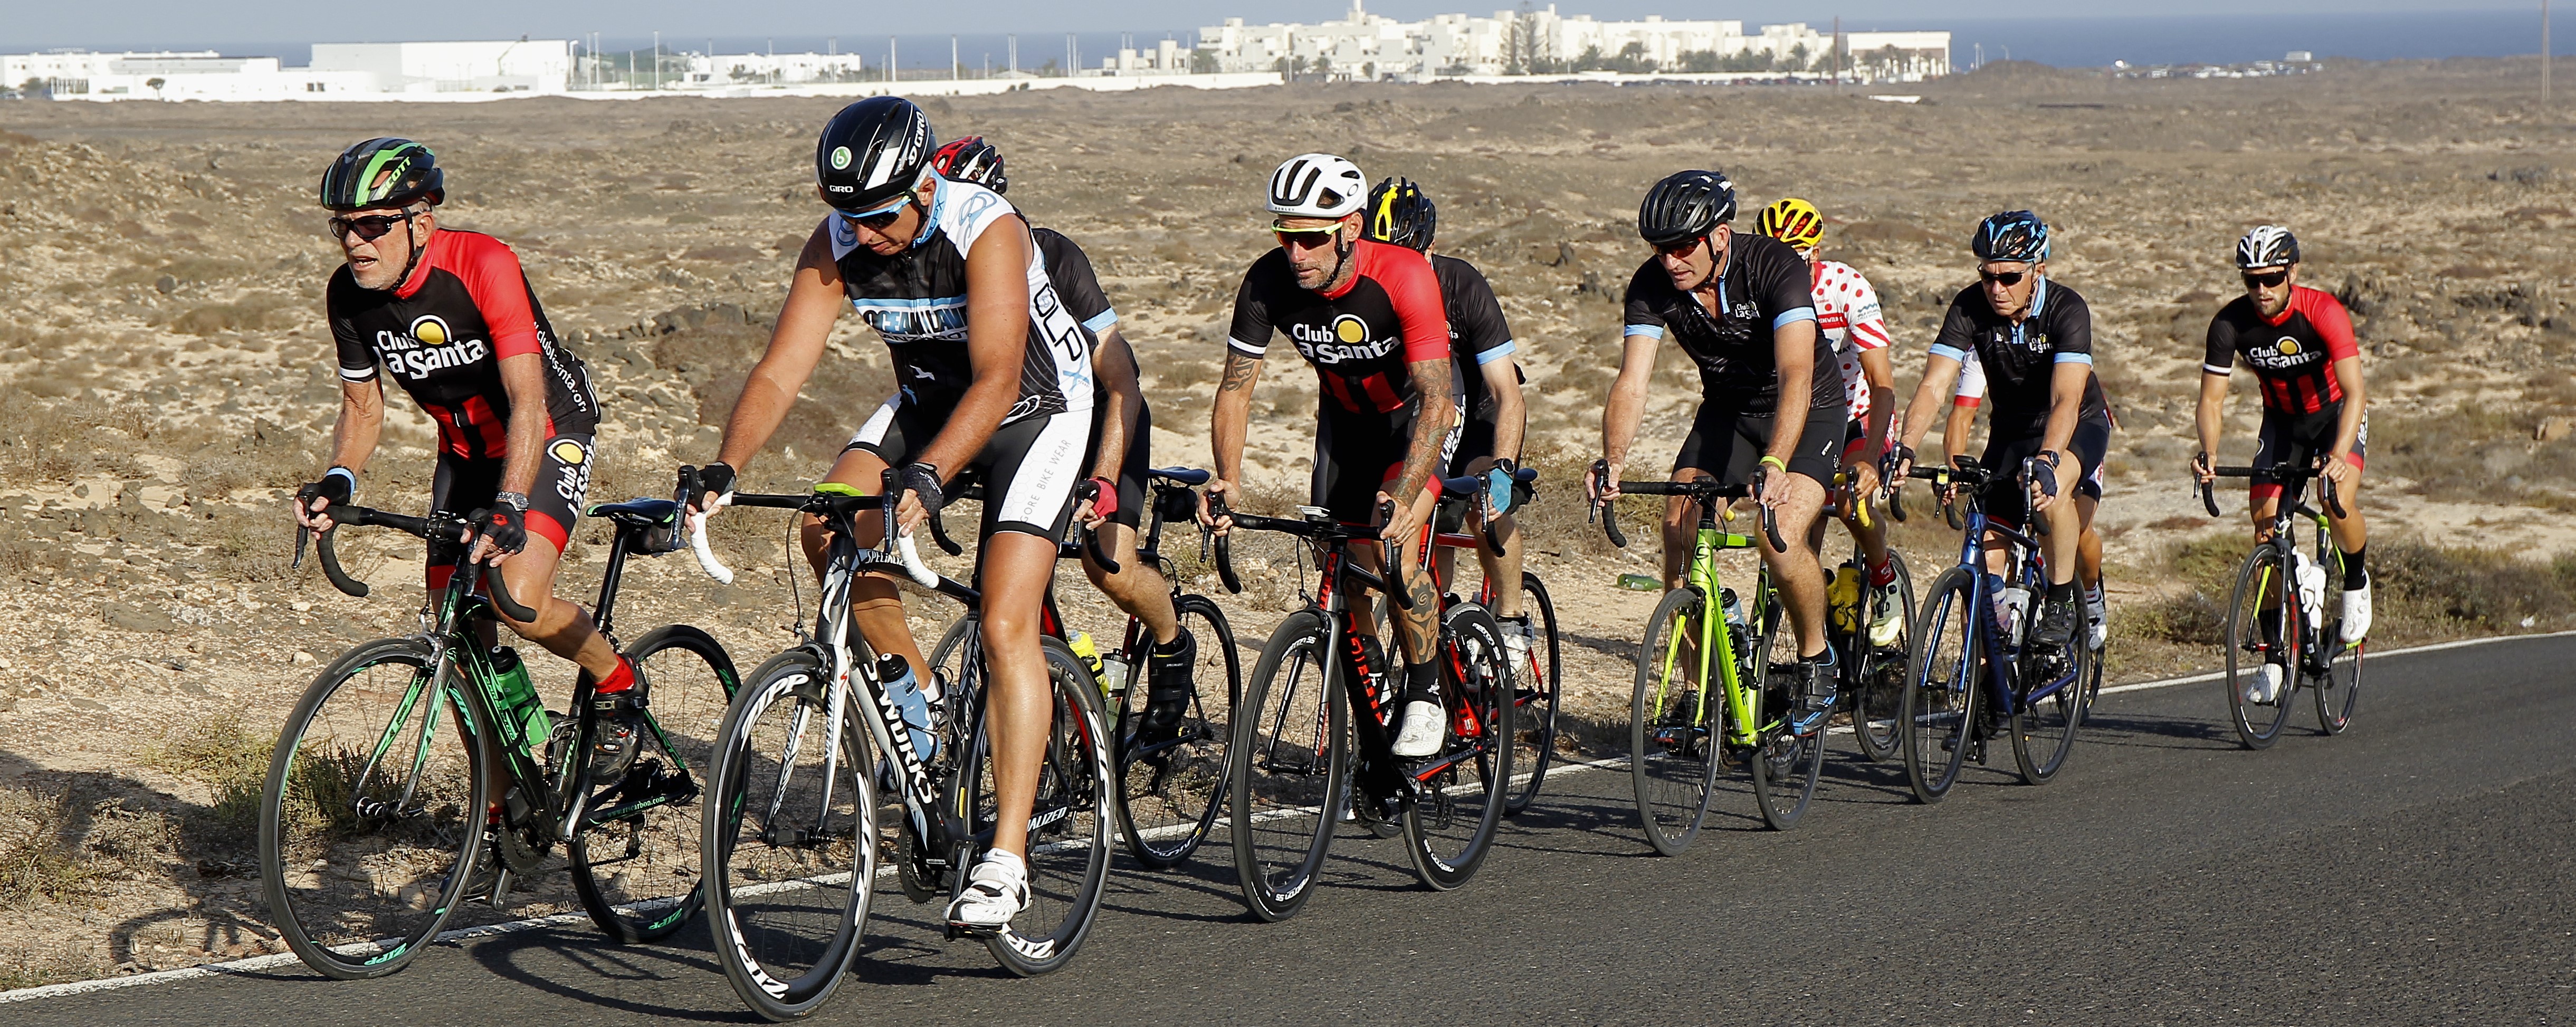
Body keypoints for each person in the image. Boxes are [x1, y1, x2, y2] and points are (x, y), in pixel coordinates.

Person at [682, 98, 1094, 932]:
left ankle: (1007, 858)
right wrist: (727, 467)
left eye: (876, 217)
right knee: (825, 525)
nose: (860, 235)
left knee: (1005, 619)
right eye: (846, 217)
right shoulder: (839, 238)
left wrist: (932, 477)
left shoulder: (986, 227)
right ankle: (916, 693)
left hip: (1036, 410)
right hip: (929, 400)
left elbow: (1000, 379)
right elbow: (779, 371)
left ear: (924, 183)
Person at [293, 138, 636, 785]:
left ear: (422, 221)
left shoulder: (483, 263)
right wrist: (338, 479)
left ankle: (617, 681)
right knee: (452, 628)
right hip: (466, 453)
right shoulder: (348, 297)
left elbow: (527, 401)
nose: (355, 242)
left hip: (547, 429)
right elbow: (362, 411)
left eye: (374, 225)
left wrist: (509, 506)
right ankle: (503, 816)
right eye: (344, 227)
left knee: (517, 598)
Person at [927, 136, 1197, 744]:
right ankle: (1069, 686)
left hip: (1103, 417)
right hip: (1022, 423)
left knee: (1110, 566)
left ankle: (1171, 641)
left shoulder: (1052, 255)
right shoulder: (936, 274)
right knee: (1006, 587)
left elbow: (1120, 371)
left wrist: (1102, 476)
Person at [1207, 153, 1457, 760]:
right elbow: (1236, 387)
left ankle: (1427, 694)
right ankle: (1372, 693)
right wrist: (1228, 480)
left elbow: (1437, 398)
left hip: (1414, 424)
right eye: (1285, 235)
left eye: (1311, 238)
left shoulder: (1401, 274)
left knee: (1389, 546)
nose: (1296, 253)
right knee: (1337, 567)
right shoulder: (1267, 281)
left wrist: (1405, 497)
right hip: (1344, 429)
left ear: (1350, 228)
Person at [1589, 170, 1844, 735]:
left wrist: (1775, 464)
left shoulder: (1774, 267)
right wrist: (1613, 460)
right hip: (1728, 413)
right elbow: (1633, 381)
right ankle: (1695, 692)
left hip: (1806, 410)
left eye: (1682, 247)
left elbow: (1797, 373)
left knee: (1776, 539)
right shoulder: (1652, 285)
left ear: (1720, 236)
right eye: (1659, 250)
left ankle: (1815, 657)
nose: (1670, 261)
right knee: (1678, 531)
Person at [1888, 210, 2112, 652]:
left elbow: (2066, 399)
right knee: (1985, 566)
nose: (1996, 289)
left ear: (2038, 268)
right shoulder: (1969, 306)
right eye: (1987, 276)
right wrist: (1906, 446)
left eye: (2009, 277)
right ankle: (1993, 684)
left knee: (2051, 497)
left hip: (2074, 425)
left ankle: (2064, 601)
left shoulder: (2067, 309)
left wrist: (2049, 460)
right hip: (2010, 433)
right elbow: (1934, 387)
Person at [1360, 177, 1535, 667]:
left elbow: (1507, 392)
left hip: (1479, 408)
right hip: (1419, 409)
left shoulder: (1462, 285)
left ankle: (1512, 616)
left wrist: (1501, 465)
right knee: (1413, 515)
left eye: (1405, 256)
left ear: (1430, 248)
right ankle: (1431, 619)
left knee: (1483, 505)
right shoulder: (1368, 292)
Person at [2194, 225, 2371, 703]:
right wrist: (2208, 452)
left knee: (2336, 501)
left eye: (2271, 278)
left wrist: (2337, 456)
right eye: (2252, 280)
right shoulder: (2230, 323)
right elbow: (2212, 400)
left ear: (2291, 271)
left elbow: (2356, 391)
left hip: (2335, 415)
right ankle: (2275, 656)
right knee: (2265, 530)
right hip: (2283, 424)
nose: (2262, 290)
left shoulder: (2323, 312)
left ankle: (2356, 581)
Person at [1752, 197, 1904, 649]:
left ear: (1814, 254)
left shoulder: (1847, 288)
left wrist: (1874, 458)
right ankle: (1813, 628)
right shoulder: (1760, 292)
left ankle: (1884, 577)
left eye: (1793, 258)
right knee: (1793, 529)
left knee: (1848, 502)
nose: (1781, 267)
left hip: (1857, 412)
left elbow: (1881, 384)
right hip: (1805, 415)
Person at [1947, 351, 2111, 650]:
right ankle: (1985, 663)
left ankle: (2087, 593)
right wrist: (1954, 470)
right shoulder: (1983, 351)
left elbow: (2068, 402)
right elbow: (1962, 415)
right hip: (2019, 437)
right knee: (1988, 553)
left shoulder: (2051, 340)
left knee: (2077, 524)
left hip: (2074, 433)